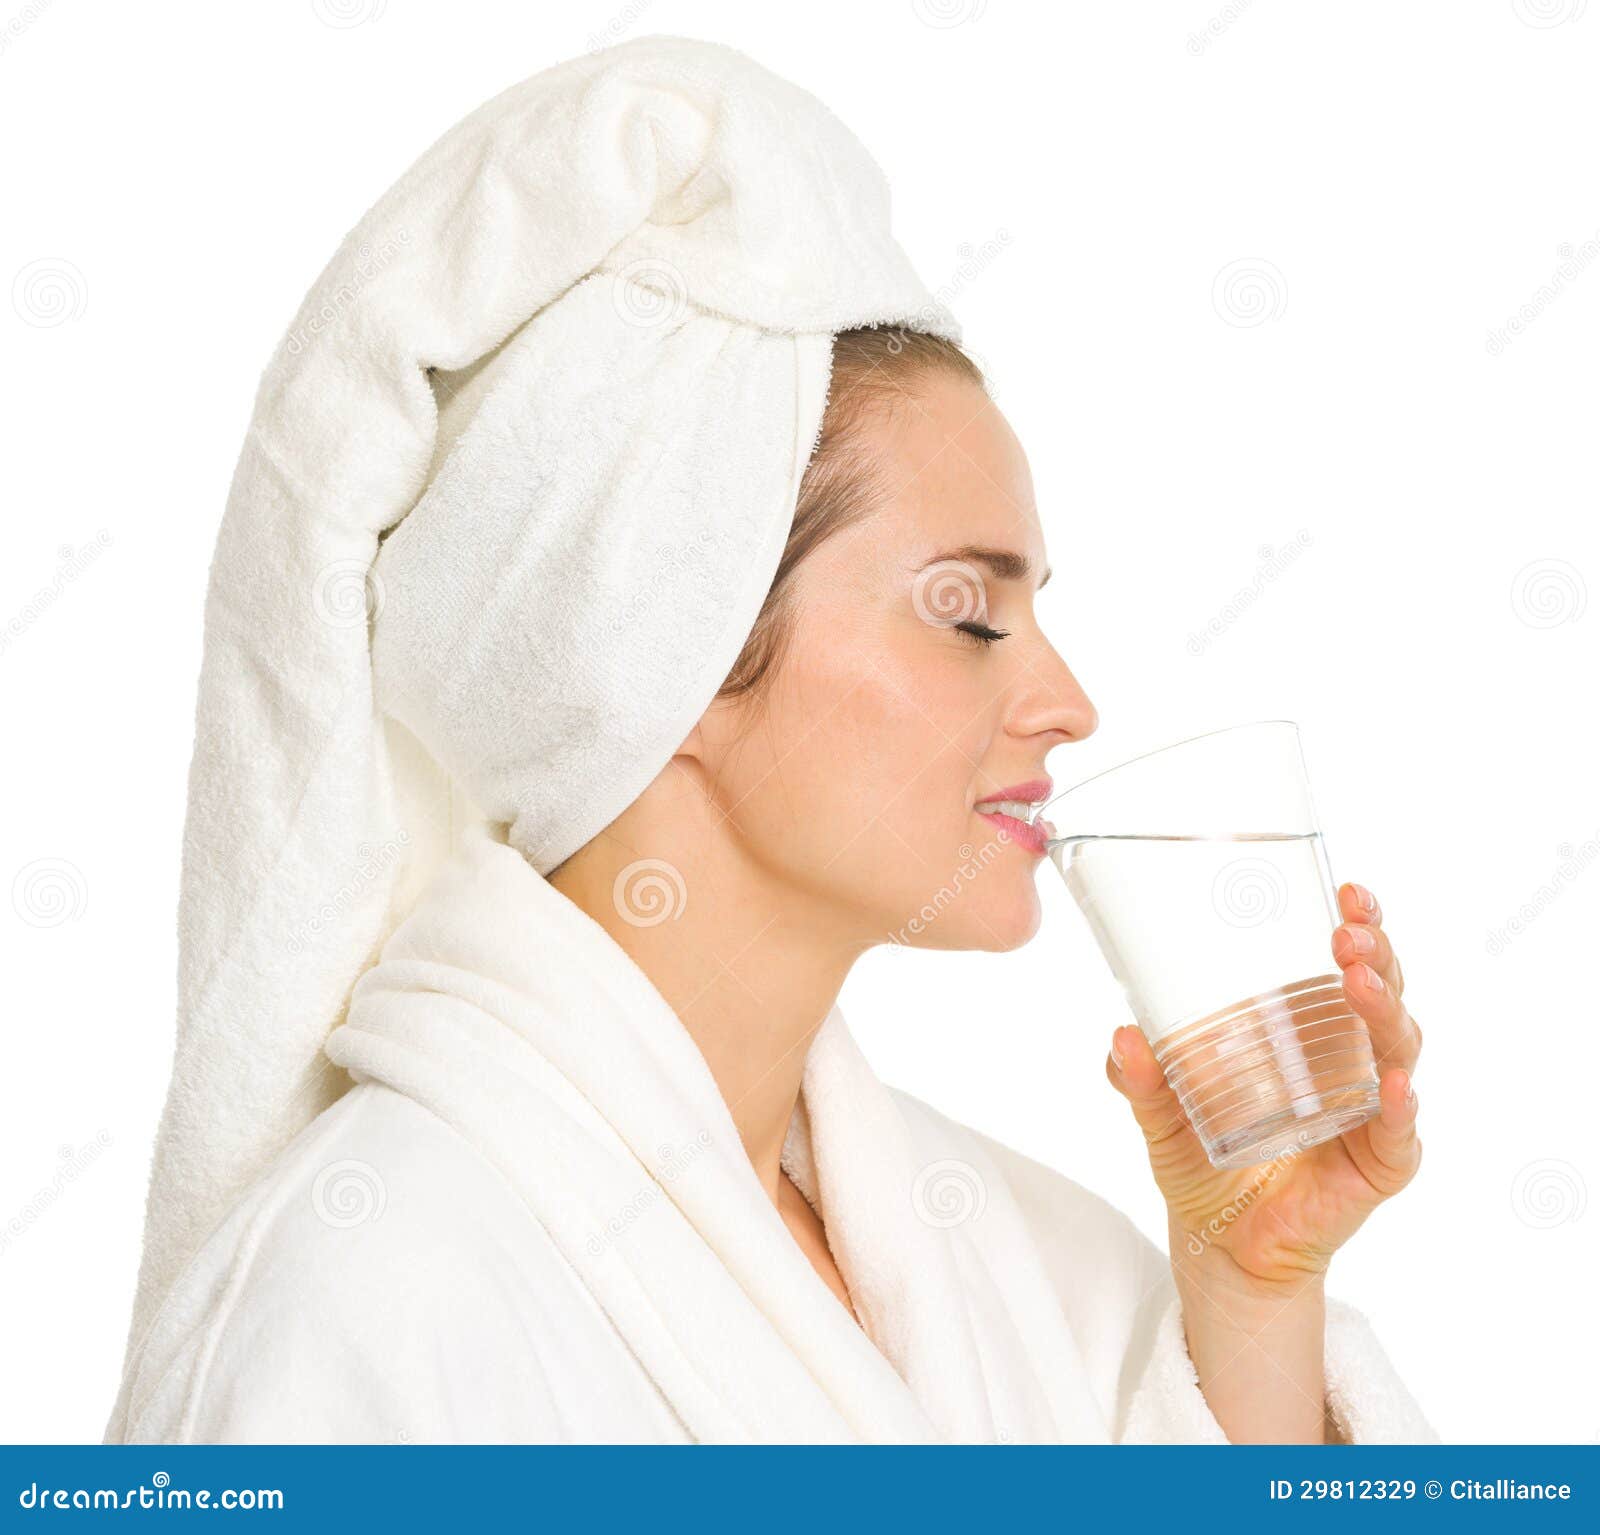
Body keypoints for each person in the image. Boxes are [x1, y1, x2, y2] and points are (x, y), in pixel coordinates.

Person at [105, 38, 1432, 1446]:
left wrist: (1254, 1295)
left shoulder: (1030, 1267)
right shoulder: (367, 1314)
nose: (1068, 701)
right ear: (657, 648)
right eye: (966, 613)